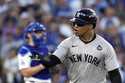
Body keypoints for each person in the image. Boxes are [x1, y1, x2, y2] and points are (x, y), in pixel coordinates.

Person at [33, 8, 122, 83]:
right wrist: (36, 56)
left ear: (91, 26)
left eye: (80, 24)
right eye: (74, 23)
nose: (75, 26)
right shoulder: (68, 43)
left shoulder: (105, 46)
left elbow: (114, 74)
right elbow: (53, 60)